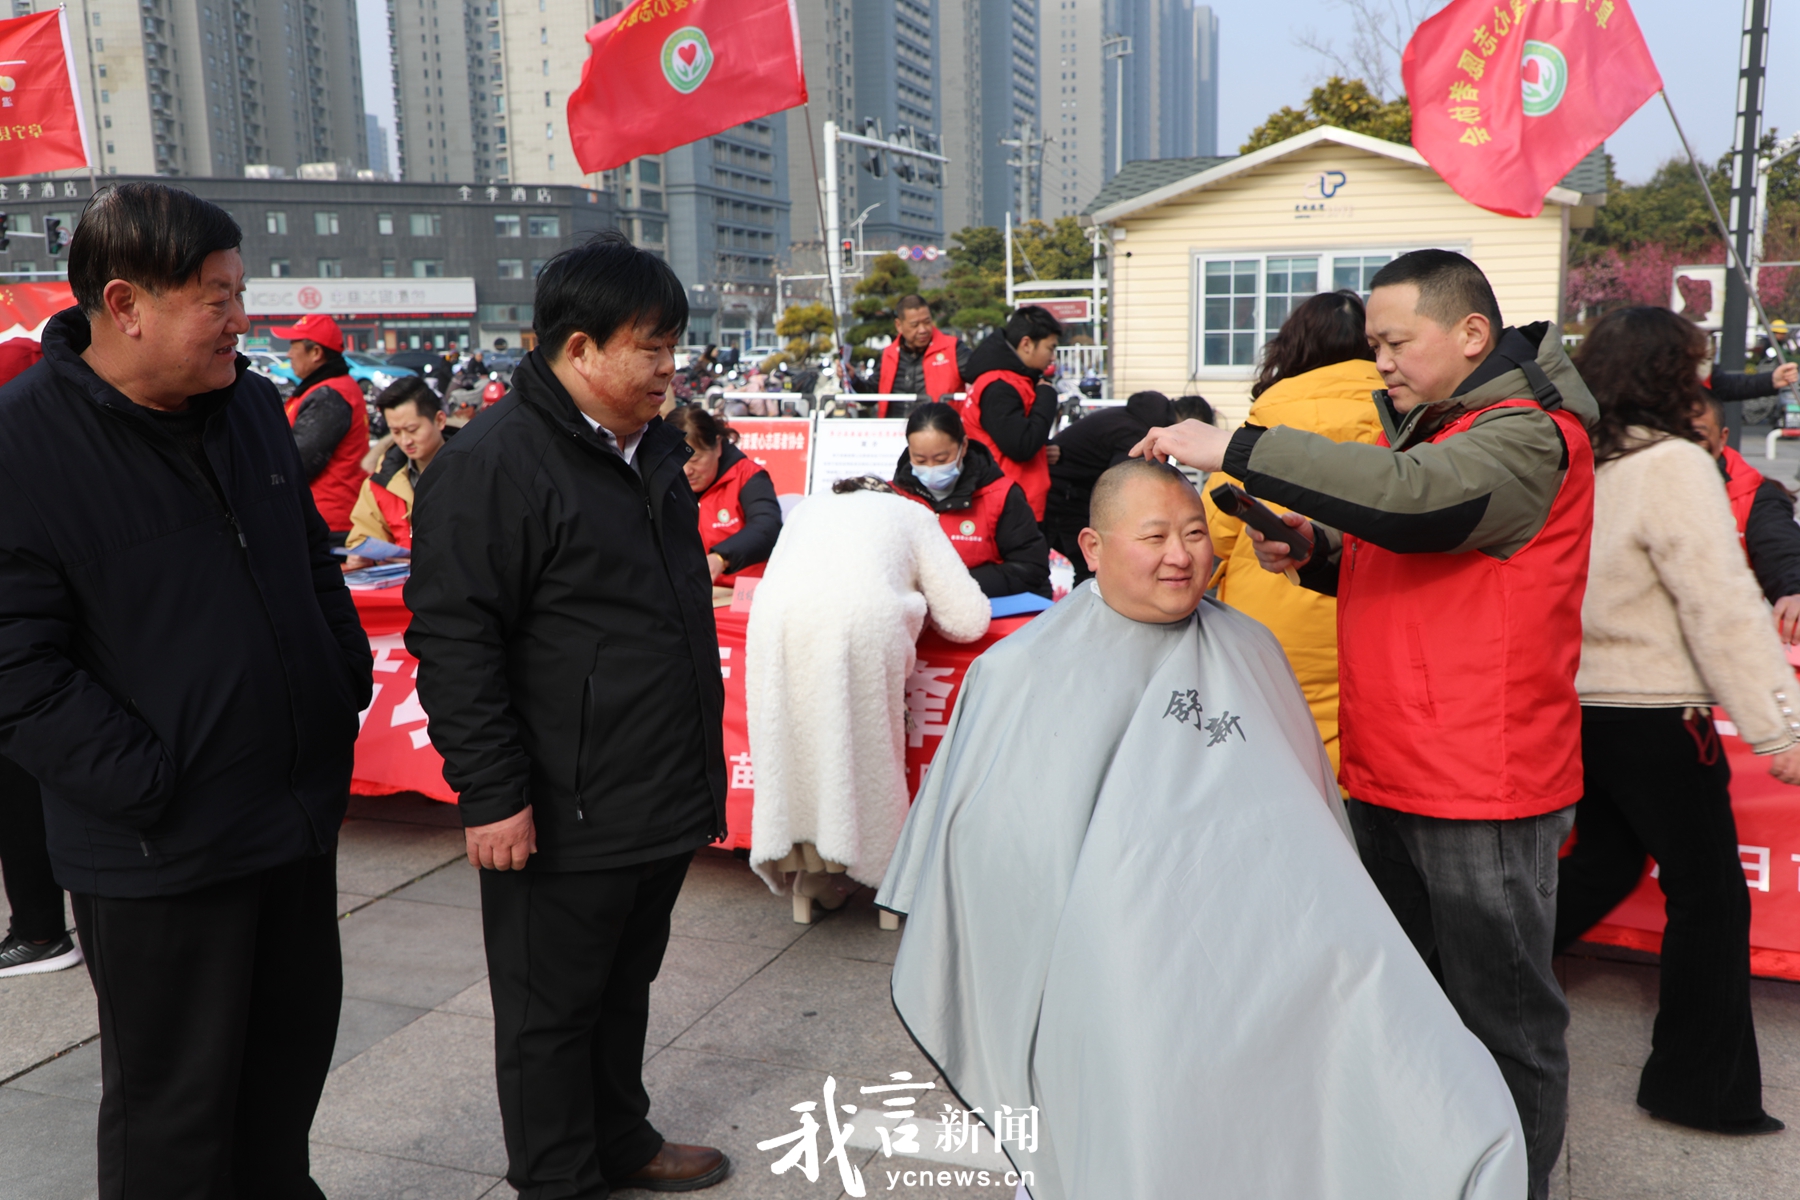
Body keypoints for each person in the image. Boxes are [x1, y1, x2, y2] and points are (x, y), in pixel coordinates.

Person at [876, 460, 1529, 1199]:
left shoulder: (1249, 648)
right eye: (1153, 536)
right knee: (1132, 1062)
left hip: (1272, 938)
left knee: (1403, 1055)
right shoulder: (1020, 671)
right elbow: (998, 857)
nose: (1180, 555)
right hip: (1107, 953)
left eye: (1194, 534)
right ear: (1092, 548)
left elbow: (1307, 822)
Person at [1135, 249, 1596, 1200]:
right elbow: (1413, 546)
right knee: (1407, 1003)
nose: (1380, 360)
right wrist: (1314, 548)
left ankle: (1514, 1186)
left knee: (1504, 1027)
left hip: (1481, 782)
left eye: (1395, 341)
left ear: (1471, 334)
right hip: (1397, 766)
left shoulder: (1526, 433)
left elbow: (1421, 503)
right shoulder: (1446, 425)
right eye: (1375, 341)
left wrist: (1236, 445)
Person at [0, 181, 372, 1197]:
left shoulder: (251, 406)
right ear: (125, 305)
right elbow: (15, 666)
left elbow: (305, 551)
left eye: (239, 291)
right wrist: (151, 781)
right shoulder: (22, 442)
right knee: (176, 1115)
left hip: (287, 816)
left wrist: (339, 680)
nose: (241, 320)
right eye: (217, 297)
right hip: (159, 850)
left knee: (283, 1075)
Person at [406, 231, 731, 1196]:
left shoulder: (652, 448)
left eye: (675, 346)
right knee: (549, 1009)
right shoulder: (496, 464)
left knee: (621, 985)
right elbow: (455, 641)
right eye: (651, 348)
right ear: (578, 349)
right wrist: (492, 794)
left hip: (655, 781)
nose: (670, 370)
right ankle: (558, 1176)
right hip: (561, 797)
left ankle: (619, 1137)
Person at [1553, 306, 1800, 1136]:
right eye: (1694, 366)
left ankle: (1453, 983)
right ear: (1672, 374)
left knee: (1599, 868)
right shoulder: (1672, 466)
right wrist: (1782, 728)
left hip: (1588, 706)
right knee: (1711, 898)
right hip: (1661, 712)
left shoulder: (1583, 461)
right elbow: (1723, 604)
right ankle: (1698, 1088)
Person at [746, 476, 990, 919]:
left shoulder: (809, 508)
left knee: (794, 747)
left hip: (775, 623)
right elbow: (967, 620)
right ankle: (883, 882)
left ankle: (810, 875)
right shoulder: (914, 513)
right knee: (863, 751)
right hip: (860, 624)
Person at [1204, 291, 1384, 771]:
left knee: (1278, 763)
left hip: (1266, 630)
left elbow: (1211, 538)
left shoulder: (1261, 424)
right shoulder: (1403, 416)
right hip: (1370, 623)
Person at [891, 402, 1050, 599]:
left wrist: (954, 585)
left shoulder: (1001, 496)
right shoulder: (893, 498)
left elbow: (1030, 568)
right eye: (920, 460)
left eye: (941, 459)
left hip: (989, 616)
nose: (931, 468)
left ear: (963, 446)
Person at [1043, 390, 1178, 583]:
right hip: (1064, 499)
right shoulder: (1134, 434)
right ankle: (1085, 612)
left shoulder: (1118, 417)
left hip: (1061, 494)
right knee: (1094, 566)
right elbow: (1124, 484)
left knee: (1090, 565)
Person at [1695, 396, 1800, 643]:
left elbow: (1783, 552)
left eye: (1696, 436)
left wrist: (1796, 591)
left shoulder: (1757, 497)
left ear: (1722, 438)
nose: (1684, 450)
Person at [275, 311, 370, 544]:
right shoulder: (326, 388)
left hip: (330, 523)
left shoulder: (329, 394)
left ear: (316, 352)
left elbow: (299, 462)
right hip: (327, 518)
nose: (288, 354)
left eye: (293, 346)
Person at [961, 305, 1064, 521]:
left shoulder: (1007, 380)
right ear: (1026, 344)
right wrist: (1046, 396)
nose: (1052, 357)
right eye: (1050, 348)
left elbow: (1009, 437)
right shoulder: (1000, 386)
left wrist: (1042, 450)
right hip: (1009, 505)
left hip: (1013, 499)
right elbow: (1021, 445)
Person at [666, 405, 783, 586]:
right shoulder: (664, 482)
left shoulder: (747, 476)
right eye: (677, 460)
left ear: (718, 446)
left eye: (695, 460)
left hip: (743, 592)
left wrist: (721, 558)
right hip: (686, 592)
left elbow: (767, 526)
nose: (687, 471)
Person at [344, 376, 454, 566]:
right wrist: (362, 558)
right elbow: (362, 537)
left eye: (412, 429)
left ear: (439, 420)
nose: (405, 441)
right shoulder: (381, 481)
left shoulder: (476, 471)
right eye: (395, 432)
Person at [864, 293, 971, 415]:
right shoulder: (889, 354)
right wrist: (851, 379)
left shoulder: (953, 349)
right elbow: (869, 395)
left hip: (940, 430)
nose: (923, 330)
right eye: (914, 325)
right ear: (899, 325)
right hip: (893, 431)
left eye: (927, 322)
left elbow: (981, 378)